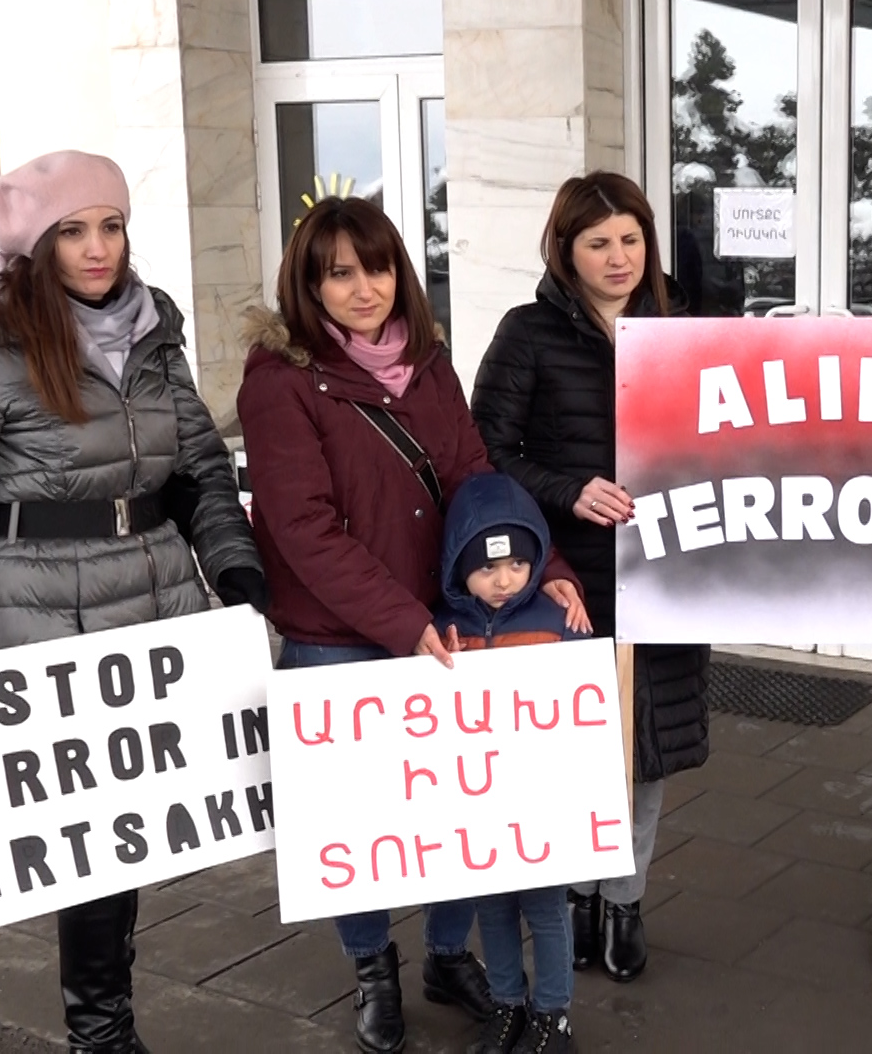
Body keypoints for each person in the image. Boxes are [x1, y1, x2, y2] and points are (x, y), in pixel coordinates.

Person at [0, 150, 265, 1053]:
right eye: (74, 231)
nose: (98, 249)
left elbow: (199, 463)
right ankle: (102, 1034)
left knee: (145, 824)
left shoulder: (152, 324)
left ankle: (109, 1019)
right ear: (32, 246)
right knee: (86, 839)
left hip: (155, 592)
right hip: (41, 605)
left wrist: (232, 561)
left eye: (112, 225)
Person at [237, 196, 589, 1054]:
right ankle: (373, 971)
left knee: (458, 809)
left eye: (379, 266)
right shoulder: (280, 379)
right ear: (309, 285)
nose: (366, 289)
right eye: (341, 273)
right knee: (357, 823)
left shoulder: (429, 364)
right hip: (338, 634)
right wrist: (400, 622)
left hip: (446, 620)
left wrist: (550, 570)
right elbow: (302, 527)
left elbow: (478, 476)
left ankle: (442, 955)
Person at [470, 171, 711, 985]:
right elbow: (488, 452)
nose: (618, 258)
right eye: (598, 242)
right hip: (570, 582)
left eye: (632, 240)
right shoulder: (528, 333)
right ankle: (574, 895)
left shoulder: (688, 336)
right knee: (572, 751)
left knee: (644, 755)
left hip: (668, 576)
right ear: (565, 250)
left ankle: (626, 900)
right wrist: (567, 489)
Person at [433, 472, 584, 1054]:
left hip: (540, 805)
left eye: (518, 565)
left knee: (546, 910)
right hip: (478, 807)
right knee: (492, 911)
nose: (503, 581)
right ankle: (508, 1005)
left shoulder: (558, 624)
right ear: (457, 566)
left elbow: (587, 711)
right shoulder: (443, 630)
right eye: (487, 567)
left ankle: (553, 1015)